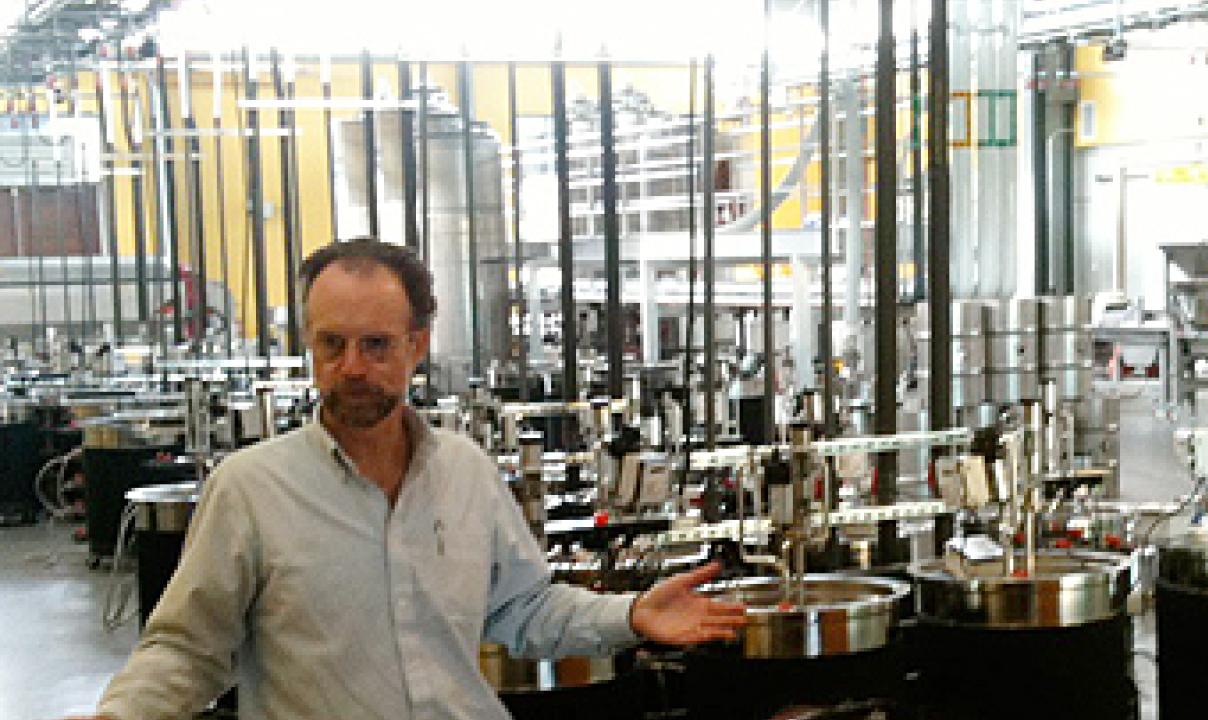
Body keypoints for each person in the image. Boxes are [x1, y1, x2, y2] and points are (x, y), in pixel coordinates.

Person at [82, 239, 746, 720]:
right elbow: (188, 649)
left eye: (375, 345)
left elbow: (524, 607)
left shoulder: (465, 471)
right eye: (332, 344)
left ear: (416, 345)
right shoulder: (251, 490)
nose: (351, 367)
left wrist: (630, 614)